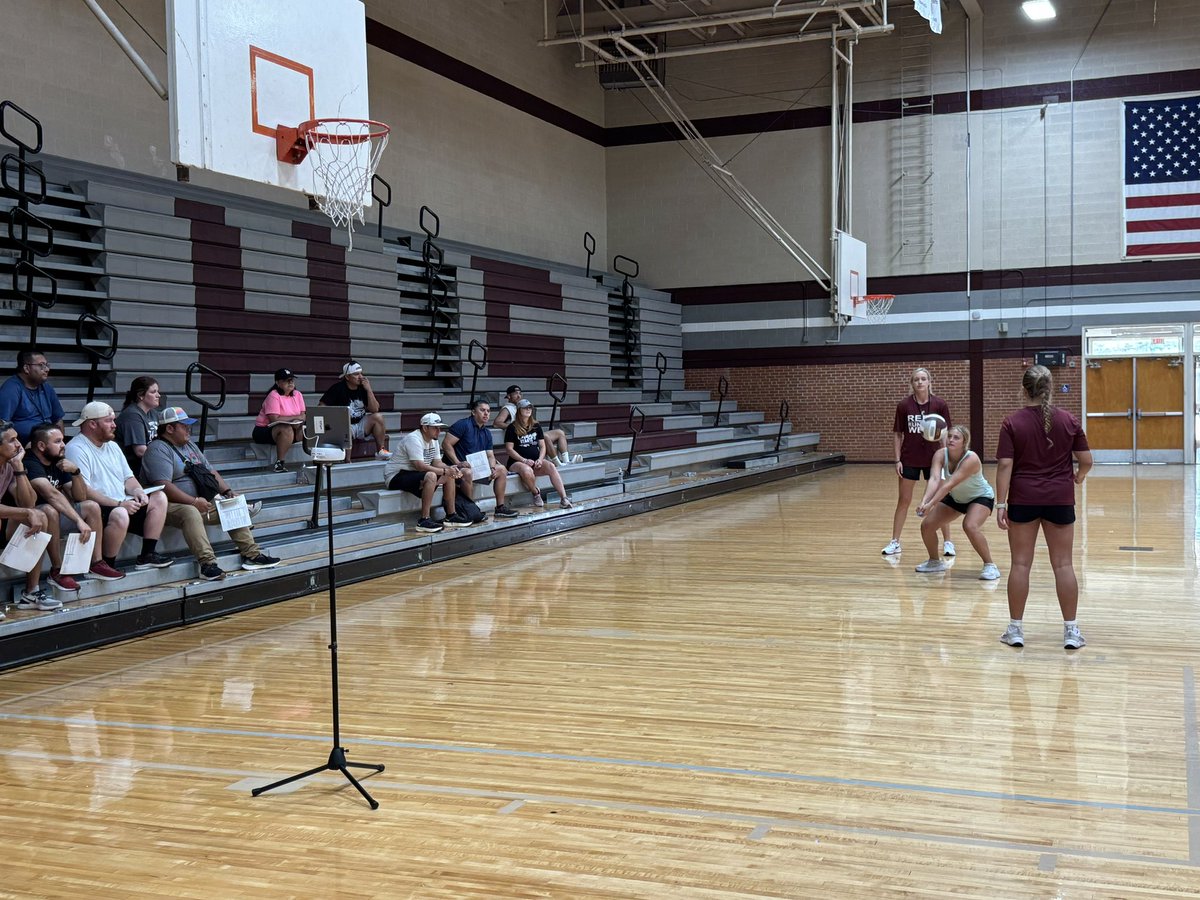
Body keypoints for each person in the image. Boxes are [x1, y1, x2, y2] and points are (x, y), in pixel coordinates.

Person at [995, 365, 1092, 650]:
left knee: (1020, 564)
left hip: (1023, 499)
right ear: (1050, 388)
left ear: (1024, 390)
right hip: (1060, 499)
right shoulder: (1069, 420)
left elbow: (1004, 465)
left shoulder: (1012, 422)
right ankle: (1071, 631)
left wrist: (1001, 504)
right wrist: (1079, 476)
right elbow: (1086, 460)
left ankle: (1015, 630)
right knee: (1063, 565)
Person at [141, 406, 280, 581]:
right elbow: (163, 486)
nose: (188, 429)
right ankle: (207, 564)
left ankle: (252, 555)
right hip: (166, 507)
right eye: (184, 426)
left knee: (231, 505)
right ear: (169, 428)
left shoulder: (189, 445)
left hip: (198, 501)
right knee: (190, 512)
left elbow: (210, 471)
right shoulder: (158, 449)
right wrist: (193, 502)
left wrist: (227, 491)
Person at [63, 401, 171, 571]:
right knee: (120, 514)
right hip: (99, 508)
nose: (115, 425)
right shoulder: (76, 448)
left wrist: (138, 491)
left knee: (159, 497)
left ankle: (147, 555)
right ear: (92, 424)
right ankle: (106, 564)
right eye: (109, 421)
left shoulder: (112, 446)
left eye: (113, 420)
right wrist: (119, 504)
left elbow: (128, 478)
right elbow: (84, 491)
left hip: (121, 502)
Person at [26, 422, 119, 590]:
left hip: (55, 519)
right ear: (41, 445)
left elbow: (80, 496)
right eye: (58, 441)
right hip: (31, 522)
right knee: (49, 510)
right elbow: (51, 494)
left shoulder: (58, 461)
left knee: (91, 506)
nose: (63, 445)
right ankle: (57, 570)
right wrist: (78, 520)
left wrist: (76, 472)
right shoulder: (30, 462)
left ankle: (96, 563)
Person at [883, 367, 953, 558]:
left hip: (935, 459)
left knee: (938, 501)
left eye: (923, 379)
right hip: (909, 458)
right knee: (903, 501)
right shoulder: (904, 405)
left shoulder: (940, 404)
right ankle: (895, 542)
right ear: (912, 383)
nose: (920, 382)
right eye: (916, 379)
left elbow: (945, 434)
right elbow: (898, 434)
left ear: (930, 382)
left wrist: (947, 458)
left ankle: (948, 543)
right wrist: (897, 459)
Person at [913, 425, 1000, 580]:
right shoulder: (940, 454)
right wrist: (924, 502)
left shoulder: (971, 458)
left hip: (980, 497)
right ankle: (935, 562)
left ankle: (990, 565)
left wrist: (931, 504)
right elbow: (934, 479)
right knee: (927, 526)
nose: (951, 439)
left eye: (956, 437)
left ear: (964, 442)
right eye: (949, 436)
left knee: (969, 526)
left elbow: (949, 484)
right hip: (957, 498)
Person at [0, 418, 60, 614]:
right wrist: (26, 512)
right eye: (11, 440)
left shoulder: (9, 466)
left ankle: (31, 593)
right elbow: (25, 509)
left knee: (40, 515)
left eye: (17, 439)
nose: (18, 444)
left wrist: (19, 468)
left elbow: (29, 503)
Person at [384, 413, 465, 533]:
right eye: (435, 428)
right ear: (425, 428)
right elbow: (420, 466)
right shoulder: (414, 439)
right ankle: (424, 519)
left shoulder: (434, 440)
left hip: (414, 474)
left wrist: (450, 469)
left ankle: (451, 515)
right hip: (395, 476)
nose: (438, 431)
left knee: (449, 475)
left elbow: (437, 462)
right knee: (432, 475)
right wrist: (444, 471)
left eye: (439, 428)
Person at [443, 399, 519, 520]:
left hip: (477, 467)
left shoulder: (487, 432)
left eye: (488, 411)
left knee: (501, 469)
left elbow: (490, 455)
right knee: (468, 472)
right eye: (482, 410)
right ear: (473, 412)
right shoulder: (462, 425)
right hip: (457, 468)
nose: (486, 413)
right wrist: (458, 463)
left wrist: (492, 467)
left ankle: (500, 508)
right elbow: (446, 444)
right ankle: (470, 509)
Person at [503, 400, 574, 509]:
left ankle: (564, 499)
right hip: (517, 462)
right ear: (519, 410)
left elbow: (542, 446)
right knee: (527, 470)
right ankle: (535, 492)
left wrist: (540, 459)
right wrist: (524, 460)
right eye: (525, 408)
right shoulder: (512, 428)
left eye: (530, 408)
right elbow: (509, 449)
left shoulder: (536, 425)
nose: (528, 410)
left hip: (535, 460)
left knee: (551, 466)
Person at [493, 385, 581, 466]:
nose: (519, 396)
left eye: (520, 393)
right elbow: (497, 423)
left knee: (560, 432)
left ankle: (566, 461)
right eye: (516, 394)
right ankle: (558, 464)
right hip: (522, 438)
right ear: (508, 396)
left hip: (531, 433)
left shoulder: (522, 406)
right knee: (545, 437)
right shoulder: (507, 408)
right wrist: (515, 428)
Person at [319, 361, 392, 459]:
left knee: (378, 417)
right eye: (356, 374)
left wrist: (369, 390)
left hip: (361, 424)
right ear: (347, 377)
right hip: (344, 425)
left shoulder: (363, 388)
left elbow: (375, 409)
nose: (361, 377)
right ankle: (347, 461)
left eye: (361, 373)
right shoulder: (337, 388)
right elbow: (321, 407)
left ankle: (380, 452)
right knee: (345, 427)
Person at [0, 348, 66, 444]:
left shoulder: (47, 387)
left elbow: (58, 419)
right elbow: (3, 426)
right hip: (25, 447)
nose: (47, 369)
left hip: (49, 445)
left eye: (47, 365)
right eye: (41, 365)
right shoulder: (11, 389)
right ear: (26, 368)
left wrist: (60, 444)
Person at [253, 368, 306, 473]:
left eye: (292, 380)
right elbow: (274, 419)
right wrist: (295, 418)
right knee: (286, 429)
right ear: (278, 382)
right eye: (287, 380)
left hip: (292, 427)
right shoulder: (274, 395)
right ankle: (279, 463)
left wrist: (298, 421)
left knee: (310, 428)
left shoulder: (297, 394)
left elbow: (303, 415)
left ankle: (318, 462)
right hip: (264, 430)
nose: (290, 382)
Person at [115, 375, 162, 477]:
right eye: (153, 392)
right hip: (134, 470)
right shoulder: (132, 415)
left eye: (158, 391)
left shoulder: (153, 413)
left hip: (150, 465)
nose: (158, 395)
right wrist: (164, 459)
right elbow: (140, 451)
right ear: (141, 395)